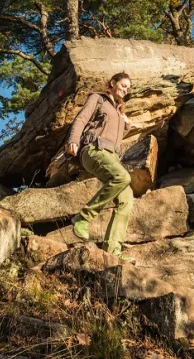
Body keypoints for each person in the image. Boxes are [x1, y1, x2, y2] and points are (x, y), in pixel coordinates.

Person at [66, 72, 136, 263]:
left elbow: (118, 138)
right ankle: (83, 217)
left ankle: (113, 250)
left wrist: (126, 124)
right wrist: (73, 140)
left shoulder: (120, 111)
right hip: (93, 150)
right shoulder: (98, 99)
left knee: (127, 199)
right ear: (112, 83)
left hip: (111, 156)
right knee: (123, 177)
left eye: (128, 88)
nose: (125, 89)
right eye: (123, 85)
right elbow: (81, 119)